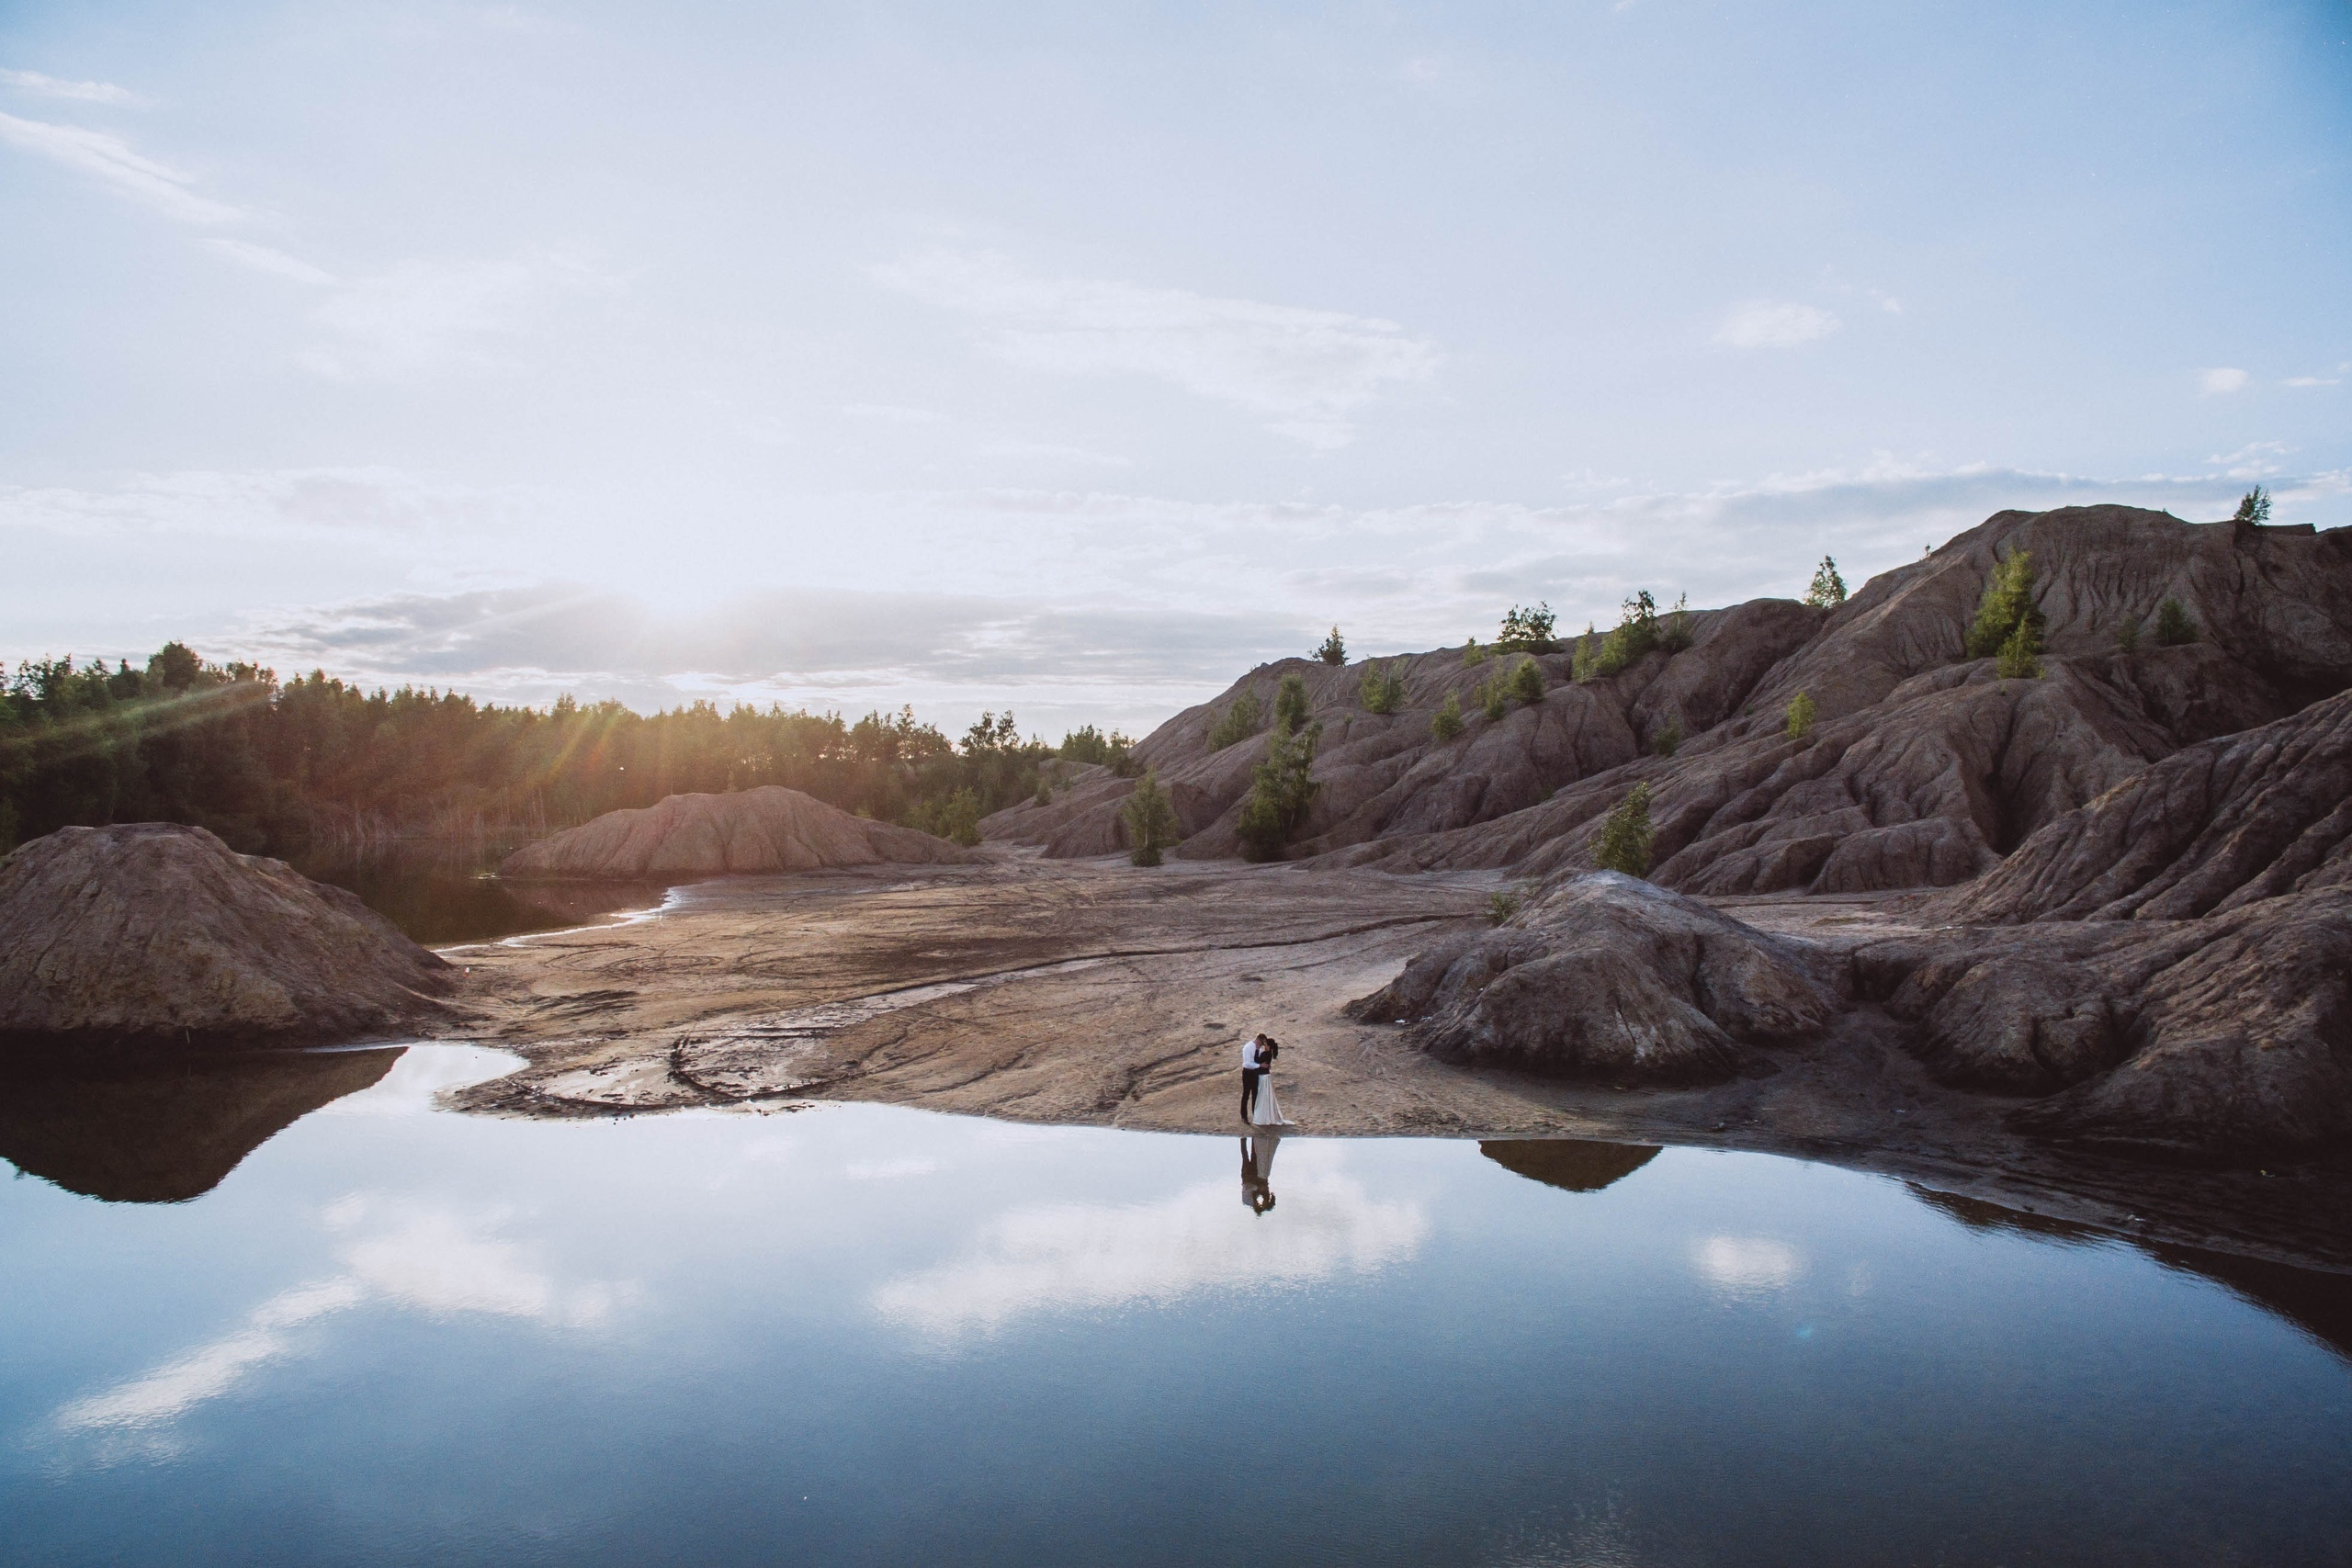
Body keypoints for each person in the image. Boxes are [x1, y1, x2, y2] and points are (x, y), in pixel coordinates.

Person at [1249, 1037, 1295, 1127]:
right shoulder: (1268, 1054)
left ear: (1268, 1046)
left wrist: (1256, 1051)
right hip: (1265, 1076)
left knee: (1262, 1096)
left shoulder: (1266, 1053)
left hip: (1263, 1077)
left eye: (1265, 1045)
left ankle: (1263, 1117)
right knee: (1264, 1096)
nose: (1264, 1046)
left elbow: (1257, 1061)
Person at [1239, 1032, 1268, 1122]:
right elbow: (1247, 1063)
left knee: (1256, 1094)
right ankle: (1244, 1116)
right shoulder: (1248, 1047)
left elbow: (1259, 1060)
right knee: (1246, 1094)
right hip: (1248, 1072)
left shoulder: (1259, 1049)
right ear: (1259, 1040)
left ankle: (1255, 1115)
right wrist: (1260, 1065)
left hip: (1256, 1073)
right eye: (1261, 1043)